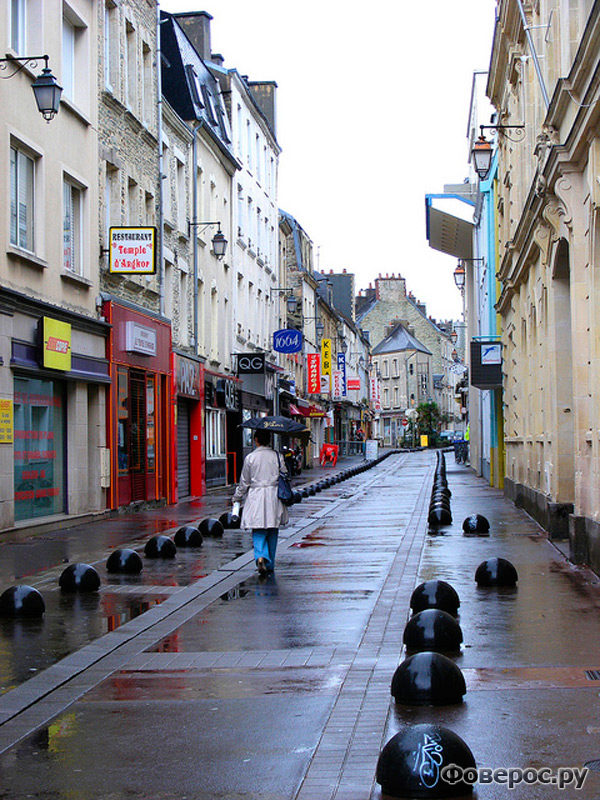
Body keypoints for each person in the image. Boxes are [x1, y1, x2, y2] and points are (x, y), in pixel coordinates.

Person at [232, 429, 289, 576]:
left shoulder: (250, 458)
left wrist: (237, 497)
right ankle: (269, 564)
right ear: (269, 440)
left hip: (256, 495)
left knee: (258, 529)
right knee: (272, 529)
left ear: (256, 440)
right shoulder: (277, 456)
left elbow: (244, 482)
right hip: (273, 495)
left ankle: (260, 556)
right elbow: (285, 474)